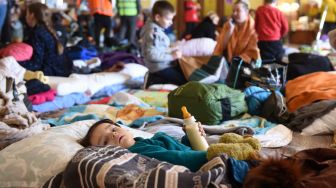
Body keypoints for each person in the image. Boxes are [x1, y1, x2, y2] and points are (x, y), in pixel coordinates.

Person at [80, 119, 208, 172]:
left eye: (113, 129)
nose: (113, 134)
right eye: (105, 141)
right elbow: (179, 158)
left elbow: (180, 148)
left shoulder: (144, 141)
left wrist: (191, 137)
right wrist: (212, 154)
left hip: (199, 154)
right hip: (203, 161)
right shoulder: (137, 152)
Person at [140, 0, 187, 88]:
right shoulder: (154, 32)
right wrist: (172, 56)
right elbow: (151, 55)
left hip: (162, 64)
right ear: (157, 17)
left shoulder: (156, 29)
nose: (171, 22)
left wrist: (171, 49)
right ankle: (153, 80)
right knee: (183, 81)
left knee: (182, 72)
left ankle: (156, 79)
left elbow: (159, 48)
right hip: (159, 67)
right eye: (168, 19)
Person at [19, 3, 71, 77]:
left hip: (52, 72)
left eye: (26, 14)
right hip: (64, 69)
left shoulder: (37, 33)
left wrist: (14, 63)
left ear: (32, 15)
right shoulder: (48, 29)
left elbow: (36, 64)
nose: (25, 17)